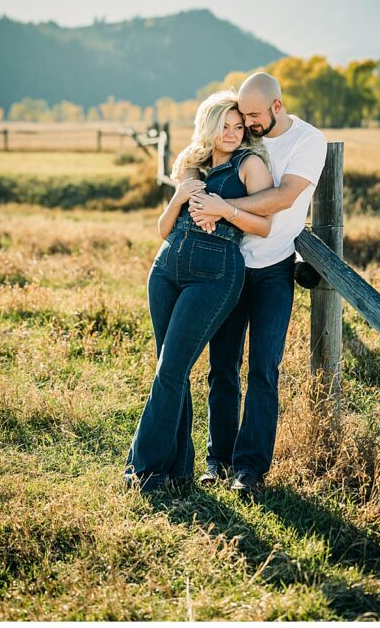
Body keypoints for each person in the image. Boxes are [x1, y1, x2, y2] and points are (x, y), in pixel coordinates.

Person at [124, 90, 273, 492]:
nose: (232, 133)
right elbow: (163, 229)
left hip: (215, 270)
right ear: (209, 126)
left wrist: (225, 211)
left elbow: (264, 226)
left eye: (239, 126)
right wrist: (180, 195)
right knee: (169, 369)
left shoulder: (251, 164)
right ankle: (177, 468)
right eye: (224, 125)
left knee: (171, 369)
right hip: (166, 266)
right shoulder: (192, 164)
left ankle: (145, 470)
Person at [189, 72, 328, 493]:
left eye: (253, 114)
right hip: (228, 265)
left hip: (273, 268)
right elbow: (203, 158)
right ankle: (218, 460)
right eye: (242, 114)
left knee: (264, 369)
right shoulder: (243, 135)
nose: (246, 123)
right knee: (222, 368)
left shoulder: (308, 141)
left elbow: (285, 196)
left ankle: (250, 469)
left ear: (277, 107)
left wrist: (222, 206)